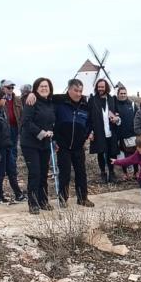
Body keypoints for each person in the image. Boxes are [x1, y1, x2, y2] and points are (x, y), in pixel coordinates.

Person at [53, 79, 95, 208]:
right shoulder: (59, 102)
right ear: (69, 89)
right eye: (75, 90)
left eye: (80, 91)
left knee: (81, 172)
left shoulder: (85, 105)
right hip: (63, 145)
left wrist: (85, 136)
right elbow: (43, 98)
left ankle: (82, 198)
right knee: (65, 173)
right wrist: (55, 139)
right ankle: (63, 198)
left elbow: (89, 124)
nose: (78, 94)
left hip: (78, 145)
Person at [20, 77, 56, 214]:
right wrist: (41, 133)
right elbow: (26, 122)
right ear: (36, 88)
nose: (44, 88)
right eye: (41, 86)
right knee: (35, 173)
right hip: (30, 143)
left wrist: (52, 133)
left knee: (43, 173)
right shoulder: (32, 101)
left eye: (46, 86)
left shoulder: (51, 103)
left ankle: (43, 201)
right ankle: (33, 202)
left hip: (45, 143)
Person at [0, 89, 25, 204]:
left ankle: (18, 194)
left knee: (12, 171)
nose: (6, 100)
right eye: (4, 98)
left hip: (7, 146)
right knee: (0, 173)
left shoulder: (1, 112)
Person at [89, 79, 121, 183]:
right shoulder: (92, 100)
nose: (100, 89)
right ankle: (103, 173)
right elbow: (89, 117)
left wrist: (116, 118)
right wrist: (90, 131)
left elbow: (116, 112)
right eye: (99, 87)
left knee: (112, 153)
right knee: (100, 153)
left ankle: (112, 173)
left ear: (106, 87)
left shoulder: (112, 99)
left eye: (102, 87)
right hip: (98, 130)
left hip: (111, 130)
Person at [115, 86, 139, 180]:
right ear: (118, 94)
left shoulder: (132, 104)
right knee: (123, 155)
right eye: (121, 93)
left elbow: (137, 117)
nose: (123, 95)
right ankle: (125, 173)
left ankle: (136, 172)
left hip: (132, 134)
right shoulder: (115, 105)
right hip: (121, 135)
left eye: (124, 93)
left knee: (135, 153)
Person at [0, 80, 23, 168]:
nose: (11, 89)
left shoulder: (17, 99)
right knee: (4, 147)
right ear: (3, 88)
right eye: (8, 87)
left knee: (14, 147)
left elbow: (21, 113)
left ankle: (12, 166)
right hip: (4, 128)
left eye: (12, 87)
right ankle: (4, 167)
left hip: (15, 127)